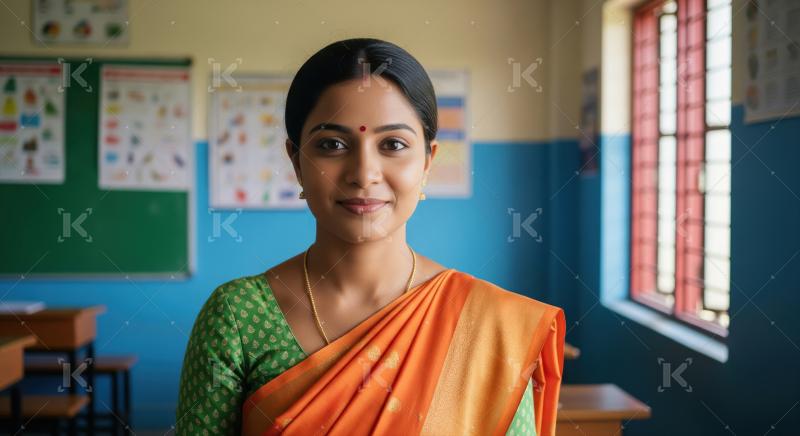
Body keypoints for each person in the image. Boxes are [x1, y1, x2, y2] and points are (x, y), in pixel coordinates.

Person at [176, 37, 565, 436]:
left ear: (428, 161)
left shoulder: (490, 325)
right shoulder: (237, 318)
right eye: (332, 144)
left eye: (393, 144)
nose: (363, 173)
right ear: (296, 161)